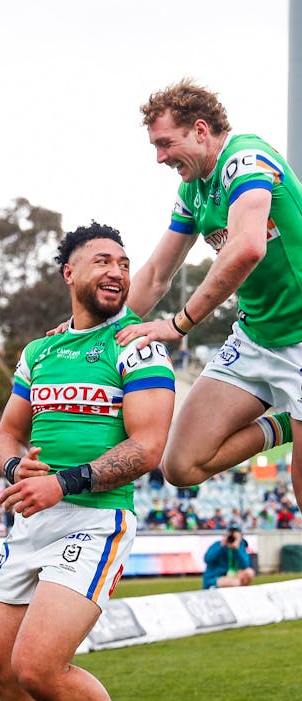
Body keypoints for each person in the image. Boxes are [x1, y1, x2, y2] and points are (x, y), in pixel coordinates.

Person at [0, 222, 176, 701]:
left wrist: (62, 483)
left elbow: (148, 447)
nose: (117, 270)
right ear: (70, 273)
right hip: (31, 521)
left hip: (95, 520)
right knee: (2, 670)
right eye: (101, 261)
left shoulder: (137, 345)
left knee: (39, 666)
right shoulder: (39, 353)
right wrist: (17, 468)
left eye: (123, 261)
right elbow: (7, 434)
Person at [113, 78, 302, 513]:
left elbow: (247, 247)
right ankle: (288, 423)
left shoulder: (246, 160)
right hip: (257, 339)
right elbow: (158, 273)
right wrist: (96, 335)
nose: (159, 157)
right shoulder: (193, 190)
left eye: (165, 143)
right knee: (180, 465)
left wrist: (179, 324)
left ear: (200, 130)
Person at [202, 524, 255, 589]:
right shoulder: (218, 544)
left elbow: (245, 565)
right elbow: (207, 559)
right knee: (236, 582)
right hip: (215, 578)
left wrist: (236, 549)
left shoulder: (240, 547)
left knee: (249, 572)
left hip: (232, 576)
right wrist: (221, 546)